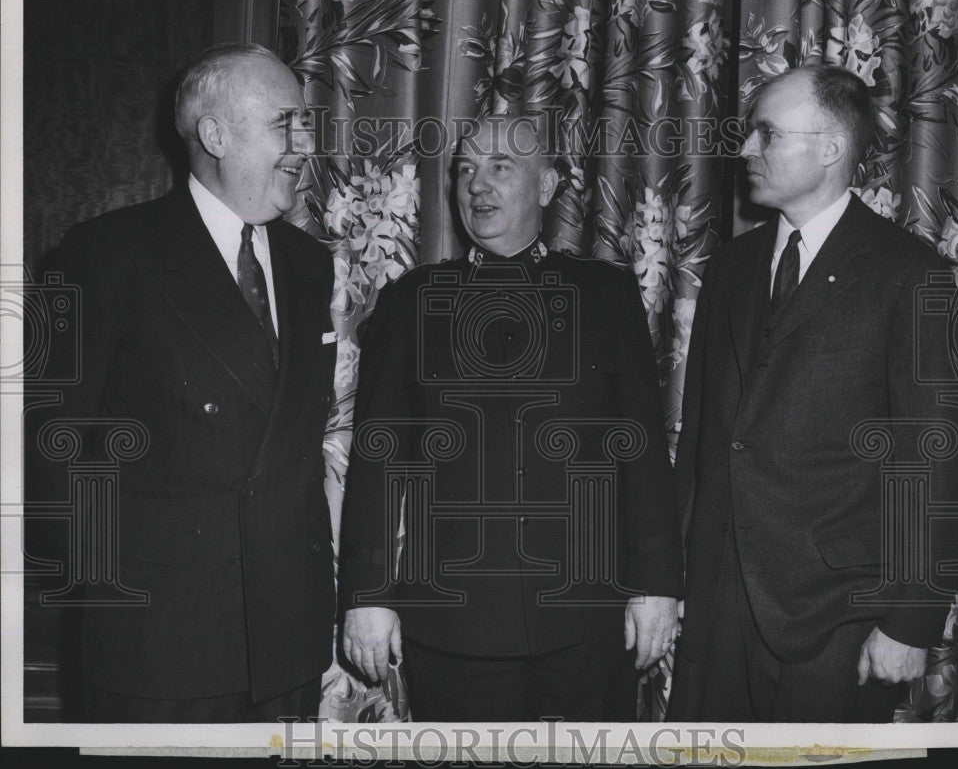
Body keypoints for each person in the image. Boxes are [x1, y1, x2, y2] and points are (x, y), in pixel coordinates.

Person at [338, 115, 683, 721]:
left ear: (547, 187)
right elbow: (377, 459)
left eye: (501, 167)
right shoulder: (412, 300)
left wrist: (658, 582)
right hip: (452, 627)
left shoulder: (605, 294)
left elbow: (644, 453)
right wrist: (367, 595)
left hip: (589, 621)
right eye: (465, 168)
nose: (477, 185)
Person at [29, 43, 337, 722]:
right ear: (215, 134)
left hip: (286, 644)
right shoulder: (106, 254)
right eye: (287, 123)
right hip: (158, 650)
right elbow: (49, 454)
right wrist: (125, 587)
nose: (306, 144)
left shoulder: (310, 263)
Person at [669, 65, 958, 723]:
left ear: (830, 149)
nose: (746, 149)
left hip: (840, 621)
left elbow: (935, 464)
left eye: (766, 134)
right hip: (718, 610)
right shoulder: (730, 267)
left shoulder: (910, 274)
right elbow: (699, 438)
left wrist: (913, 622)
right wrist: (672, 580)